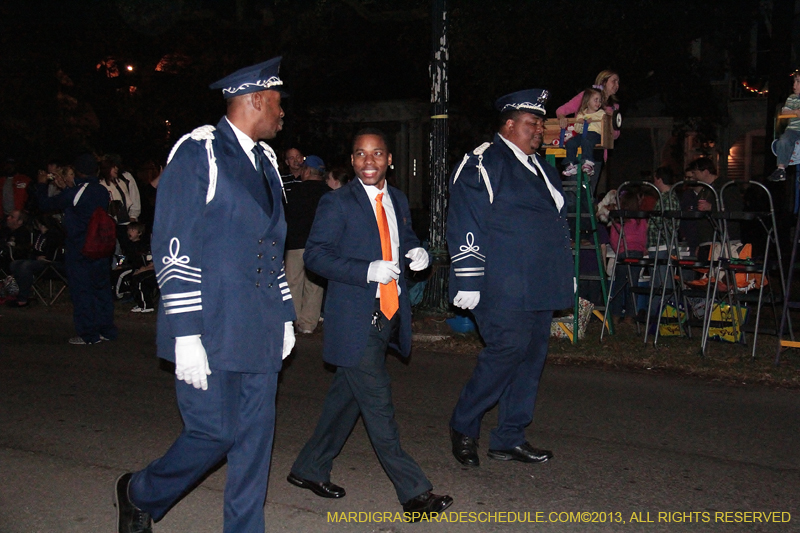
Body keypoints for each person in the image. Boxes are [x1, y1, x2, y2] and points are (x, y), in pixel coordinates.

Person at [114, 57, 296, 533]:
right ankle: (140, 491)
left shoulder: (267, 161)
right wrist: (185, 332)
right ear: (255, 99)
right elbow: (174, 246)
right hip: (212, 323)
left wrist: (284, 316)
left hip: (258, 325)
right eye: (277, 102)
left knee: (255, 443)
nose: (282, 113)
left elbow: (271, 248)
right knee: (214, 433)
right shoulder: (201, 151)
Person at [288, 128, 453, 521]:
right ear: (352, 160)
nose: (368, 162)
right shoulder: (336, 203)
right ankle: (415, 494)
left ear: (389, 160)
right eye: (360, 154)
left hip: (389, 315)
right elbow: (316, 257)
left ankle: (309, 468)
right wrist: (366, 270)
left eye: (376, 154)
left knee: (347, 399)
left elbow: (405, 236)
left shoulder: (395, 198)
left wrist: (416, 252)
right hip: (355, 319)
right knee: (378, 405)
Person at [447, 89, 573, 468]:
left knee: (531, 359)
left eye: (541, 124)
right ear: (508, 124)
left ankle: (509, 436)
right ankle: (464, 425)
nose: (539, 130)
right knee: (507, 351)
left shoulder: (540, 166)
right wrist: (468, 278)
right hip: (501, 282)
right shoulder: (485, 162)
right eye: (532, 124)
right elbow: (465, 218)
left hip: (537, 282)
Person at [36, 154, 118, 345]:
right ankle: (106, 329)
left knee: (82, 291)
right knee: (101, 289)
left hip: (81, 247)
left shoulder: (77, 192)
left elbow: (46, 205)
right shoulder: (100, 190)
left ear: (78, 172)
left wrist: (41, 185)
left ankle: (89, 334)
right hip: (101, 246)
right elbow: (80, 202)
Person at [283, 154, 331, 333]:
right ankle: (309, 324)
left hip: (295, 244)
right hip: (318, 246)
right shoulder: (329, 194)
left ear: (307, 171)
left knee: (293, 282)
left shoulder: (294, 192)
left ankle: (292, 322)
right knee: (315, 285)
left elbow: (286, 219)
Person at [556, 70, 621, 196]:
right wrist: (562, 118)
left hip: (597, 152)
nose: (617, 85)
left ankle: (585, 215)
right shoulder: (586, 96)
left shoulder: (613, 107)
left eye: (618, 82)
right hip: (579, 150)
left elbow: (616, 134)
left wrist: (610, 123)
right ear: (603, 82)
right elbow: (562, 110)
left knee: (588, 193)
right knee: (575, 192)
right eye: (614, 81)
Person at [7, 214, 63, 307]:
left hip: (50, 264)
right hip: (37, 261)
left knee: (26, 266)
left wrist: (44, 257)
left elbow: (54, 252)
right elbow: (33, 251)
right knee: (15, 264)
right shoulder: (39, 235)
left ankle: (23, 298)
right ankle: (21, 292)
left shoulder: (54, 235)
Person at [562, 87, 605, 178]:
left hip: (595, 134)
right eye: (596, 100)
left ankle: (588, 162)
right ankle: (572, 164)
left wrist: (593, 121)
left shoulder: (601, 114)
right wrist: (580, 123)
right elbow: (577, 130)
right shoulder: (582, 114)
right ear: (588, 101)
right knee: (570, 142)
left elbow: (603, 127)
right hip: (582, 134)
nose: (598, 103)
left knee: (587, 140)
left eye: (600, 101)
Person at [767, 70, 800, 182]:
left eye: (798, 82)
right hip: (794, 130)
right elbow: (784, 112)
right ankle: (781, 169)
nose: (794, 85)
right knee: (784, 140)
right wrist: (796, 112)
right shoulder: (792, 98)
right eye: (794, 82)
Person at [0, 159, 31, 225]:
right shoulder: (1, 181)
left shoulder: (24, 179)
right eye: (7, 165)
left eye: (11, 165)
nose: (9, 167)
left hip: (20, 216)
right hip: (4, 215)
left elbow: (32, 196)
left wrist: (27, 209)